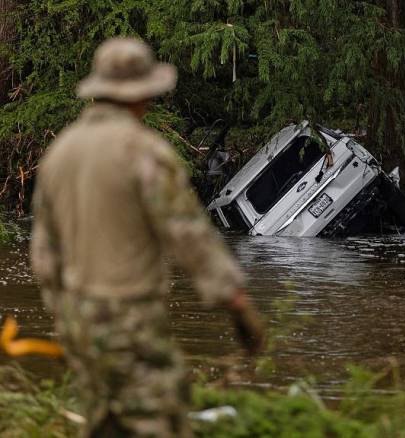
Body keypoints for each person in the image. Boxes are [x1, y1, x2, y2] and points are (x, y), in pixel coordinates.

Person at [29, 37, 264, 437]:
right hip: (129, 318)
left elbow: (43, 252)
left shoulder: (60, 153)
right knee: (158, 421)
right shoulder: (144, 152)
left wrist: (64, 312)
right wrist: (235, 299)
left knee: (104, 422)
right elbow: (187, 233)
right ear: (142, 94)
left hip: (75, 320)